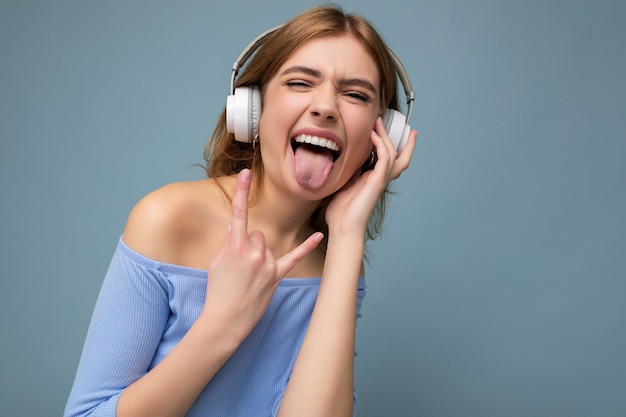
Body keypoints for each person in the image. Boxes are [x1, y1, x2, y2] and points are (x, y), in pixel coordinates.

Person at [64, 4, 417, 417]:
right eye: (300, 83)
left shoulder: (340, 261)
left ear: (382, 135)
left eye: (356, 95)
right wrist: (222, 325)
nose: (325, 107)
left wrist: (346, 236)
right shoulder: (167, 219)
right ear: (251, 109)